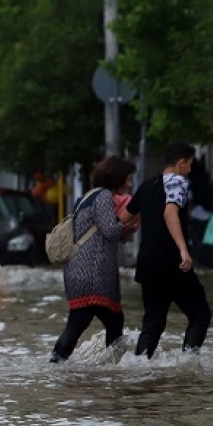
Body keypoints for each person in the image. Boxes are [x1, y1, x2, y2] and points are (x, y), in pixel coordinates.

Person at [118, 142, 213, 359]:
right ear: (180, 163)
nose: (190, 169)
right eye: (189, 164)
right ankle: (188, 364)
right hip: (172, 262)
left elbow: (124, 218)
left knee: (153, 321)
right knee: (200, 314)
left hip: (147, 264)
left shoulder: (148, 185)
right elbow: (170, 214)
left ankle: (138, 366)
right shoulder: (179, 182)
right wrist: (183, 250)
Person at [50, 155, 138, 363]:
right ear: (117, 177)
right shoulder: (104, 197)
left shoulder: (86, 197)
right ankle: (113, 367)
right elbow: (110, 230)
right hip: (93, 274)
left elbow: (100, 231)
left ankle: (57, 364)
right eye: (128, 178)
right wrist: (128, 226)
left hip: (77, 271)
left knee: (87, 322)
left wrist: (123, 229)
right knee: (103, 322)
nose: (130, 183)